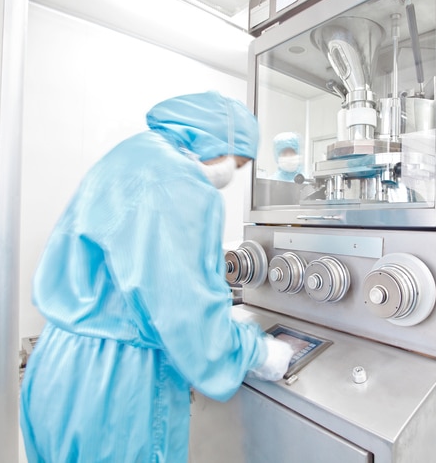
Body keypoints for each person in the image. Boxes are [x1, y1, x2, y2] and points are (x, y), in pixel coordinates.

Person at [20, 91, 294, 462]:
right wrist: (260, 352)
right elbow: (188, 315)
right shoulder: (176, 180)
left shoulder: (132, 155)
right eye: (237, 161)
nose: (231, 173)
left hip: (57, 367)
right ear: (215, 139)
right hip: (113, 389)